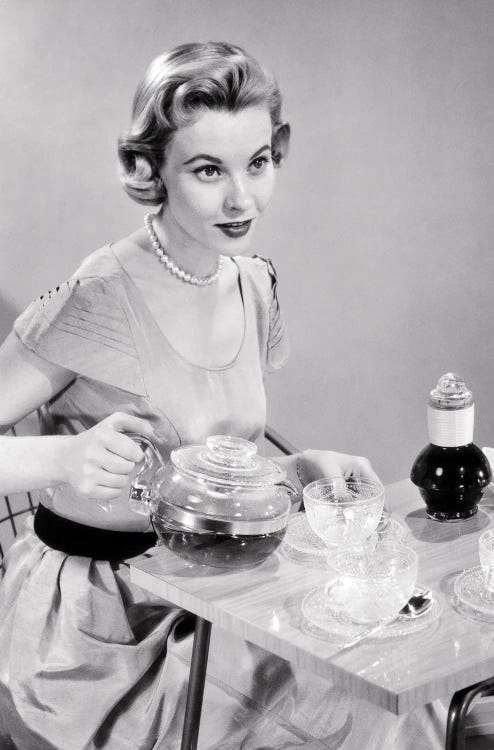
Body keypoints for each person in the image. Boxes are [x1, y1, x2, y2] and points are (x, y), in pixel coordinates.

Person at [0, 42, 446, 749]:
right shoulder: (98, 297)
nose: (243, 198)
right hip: (107, 631)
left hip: (220, 588)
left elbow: (203, 461)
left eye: (258, 163)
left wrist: (296, 473)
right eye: (208, 170)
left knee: (398, 692)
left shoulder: (252, 282)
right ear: (149, 171)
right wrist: (63, 458)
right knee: (355, 724)